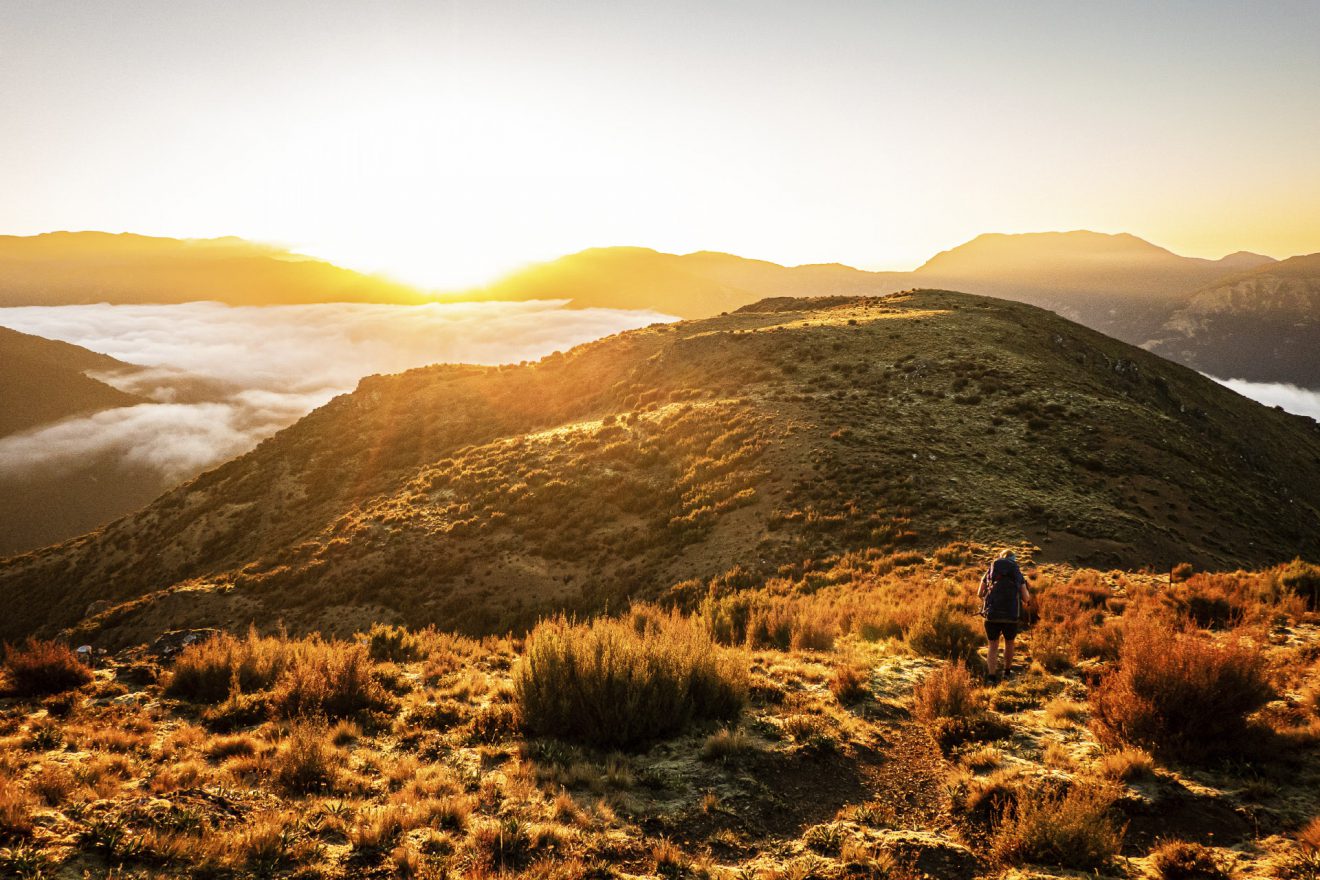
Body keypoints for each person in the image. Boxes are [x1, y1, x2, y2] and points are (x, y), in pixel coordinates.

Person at [978, 549, 1031, 682]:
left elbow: (979, 593)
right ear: (1014, 559)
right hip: (1011, 615)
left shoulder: (990, 571)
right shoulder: (1017, 573)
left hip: (992, 614)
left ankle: (991, 676)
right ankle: (1007, 673)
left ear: (1000, 558)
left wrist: (991, 602)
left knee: (992, 646)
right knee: (1009, 643)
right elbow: (1025, 598)